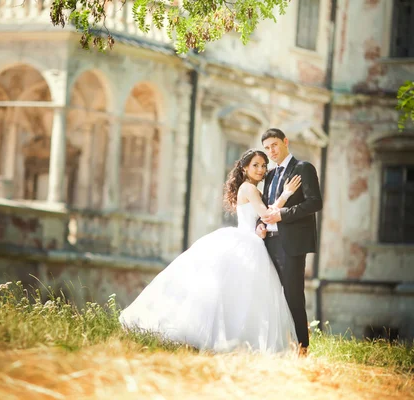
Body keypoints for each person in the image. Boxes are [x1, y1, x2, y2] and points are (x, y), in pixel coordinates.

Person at [119, 148, 301, 353]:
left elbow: (260, 218)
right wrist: (286, 194)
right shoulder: (249, 188)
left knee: (239, 295)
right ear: (245, 168)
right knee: (236, 293)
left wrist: (260, 226)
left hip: (252, 239)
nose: (260, 169)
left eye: (263, 165)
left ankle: (235, 339)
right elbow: (268, 214)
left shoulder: (253, 190)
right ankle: (229, 340)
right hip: (247, 243)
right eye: (255, 165)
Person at [257, 128, 323, 356]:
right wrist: (260, 223)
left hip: (292, 243)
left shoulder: (303, 168)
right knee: (270, 294)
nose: (271, 151)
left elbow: (315, 203)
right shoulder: (270, 175)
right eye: (266, 148)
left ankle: (302, 349)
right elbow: (266, 206)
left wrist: (283, 214)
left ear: (285, 142)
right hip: (268, 243)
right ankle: (278, 347)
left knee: (293, 295)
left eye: (274, 145)